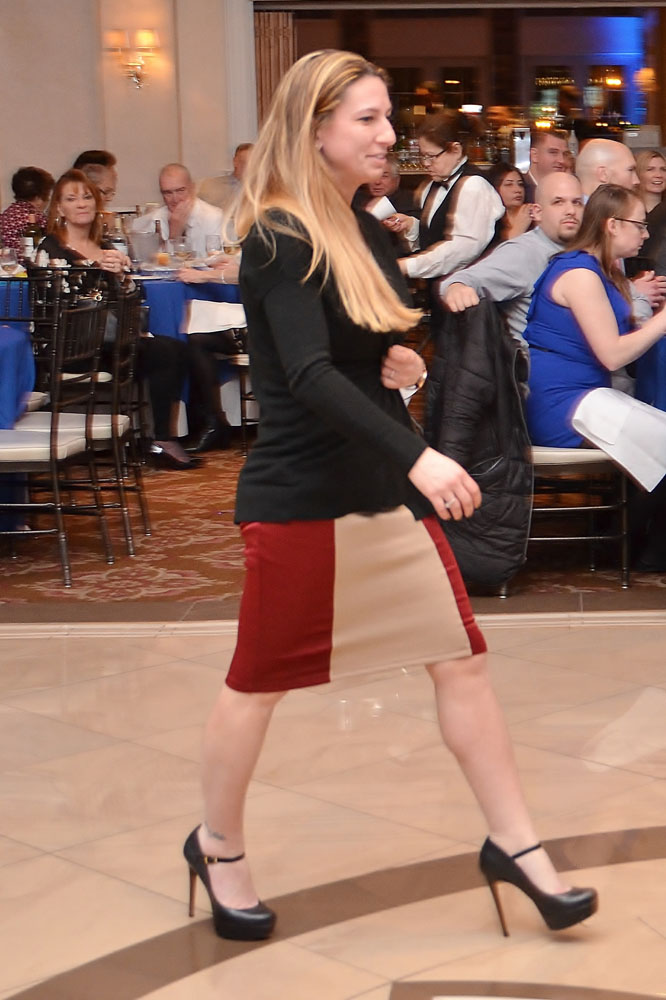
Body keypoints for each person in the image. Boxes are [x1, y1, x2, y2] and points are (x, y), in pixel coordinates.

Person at [184, 48, 597, 944]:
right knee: (257, 686)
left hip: (378, 488)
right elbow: (305, 374)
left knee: (463, 660)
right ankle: (216, 845)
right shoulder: (280, 234)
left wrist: (397, 360)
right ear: (316, 130)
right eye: (367, 119)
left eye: (386, 117)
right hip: (302, 493)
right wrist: (421, 458)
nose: (387, 134)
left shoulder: (367, 231)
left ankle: (517, 846)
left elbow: (360, 354)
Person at [523, 183, 666, 570]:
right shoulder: (580, 274)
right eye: (640, 224)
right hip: (563, 403)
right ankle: (629, 546)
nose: (646, 234)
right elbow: (612, 353)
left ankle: (636, 545)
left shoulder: (598, 269)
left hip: (585, 395)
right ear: (612, 225)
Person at [40, 169, 198, 470]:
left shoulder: (106, 246)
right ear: (59, 208)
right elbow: (62, 303)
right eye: (72, 199)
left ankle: (161, 438)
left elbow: (133, 301)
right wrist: (95, 269)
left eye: (87, 197)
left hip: (112, 341)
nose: (82, 204)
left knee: (174, 349)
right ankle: (157, 439)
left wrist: (123, 278)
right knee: (164, 352)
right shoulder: (51, 250)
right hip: (74, 345)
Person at [440, 172, 584, 353]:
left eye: (577, 202)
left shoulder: (587, 248)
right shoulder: (523, 252)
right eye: (558, 202)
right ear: (537, 212)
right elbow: (463, 280)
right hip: (545, 364)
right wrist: (457, 287)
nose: (571, 210)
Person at [384, 110, 504, 310]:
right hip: (441, 296)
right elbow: (436, 236)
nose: (426, 164)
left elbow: (462, 250)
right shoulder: (431, 185)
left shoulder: (474, 186)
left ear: (455, 150)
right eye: (423, 156)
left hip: (471, 299)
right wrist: (410, 226)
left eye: (432, 156)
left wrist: (406, 266)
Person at [130, 163, 223, 257]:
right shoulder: (153, 220)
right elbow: (152, 262)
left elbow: (219, 260)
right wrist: (174, 235)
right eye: (168, 193)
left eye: (180, 191)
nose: (175, 199)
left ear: (192, 188)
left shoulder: (214, 217)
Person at [0, 167, 54, 252]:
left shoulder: (6, 214)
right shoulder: (37, 219)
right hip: (29, 259)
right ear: (38, 197)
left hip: (7, 258)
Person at [197, 143, 254, 213]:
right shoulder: (212, 186)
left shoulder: (260, 191)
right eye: (244, 162)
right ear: (235, 161)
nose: (248, 168)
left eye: (252, 164)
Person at [486, 162, 532, 243]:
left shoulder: (533, 216)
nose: (518, 190)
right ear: (494, 188)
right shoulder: (488, 223)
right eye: (509, 184)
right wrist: (518, 230)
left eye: (520, 184)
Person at [522, 128, 568, 203]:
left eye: (565, 154)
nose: (562, 160)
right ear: (534, 155)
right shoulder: (519, 190)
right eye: (553, 152)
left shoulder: (568, 190)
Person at [635, 149, 666, 216]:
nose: (659, 175)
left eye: (663, 169)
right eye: (650, 169)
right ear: (637, 174)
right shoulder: (627, 212)